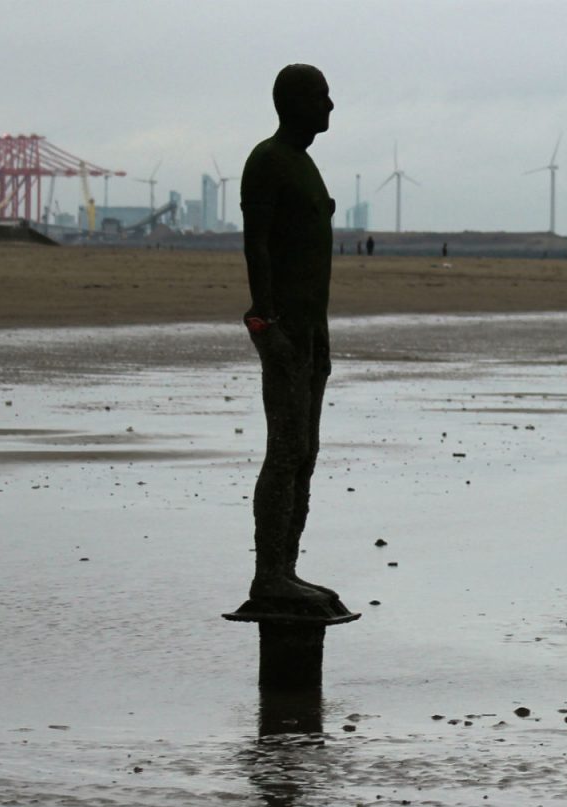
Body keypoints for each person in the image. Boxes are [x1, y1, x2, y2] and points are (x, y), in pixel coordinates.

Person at [239, 63, 339, 603]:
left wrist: (319, 339)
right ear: (294, 103)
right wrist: (265, 321)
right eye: (321, 97)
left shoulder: (306, 164)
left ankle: (288, 568)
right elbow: (256, 244)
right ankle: (268, 575)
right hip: (282, 330)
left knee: (306, 452)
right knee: (285, 449)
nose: (330, 106)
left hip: (312, 332)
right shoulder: (268, 161)